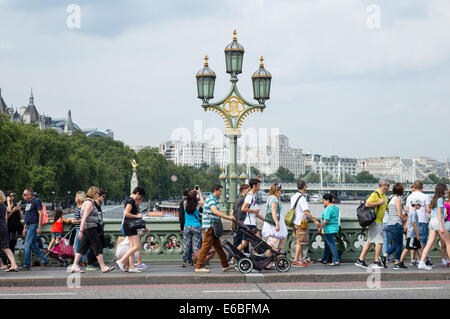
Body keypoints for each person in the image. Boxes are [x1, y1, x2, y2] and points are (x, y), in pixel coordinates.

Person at [71, 186, 114, 273]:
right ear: (94, 194)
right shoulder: (89, 204)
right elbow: (84, 218)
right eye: (98, 193)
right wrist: (81, 231)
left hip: (88, 228)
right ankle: (103, 267)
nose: (98, 194)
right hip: (90, 228)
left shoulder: (89, 202)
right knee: (97, 246)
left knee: (82, 248)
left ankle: (74, 266)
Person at [195, 184, 236, 273]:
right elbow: (215, 212)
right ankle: (199, 266)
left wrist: (227, 216)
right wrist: (228, 218)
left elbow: (219, 211)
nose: (221, 193)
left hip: (212, 227)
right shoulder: (211, 199)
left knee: (218, 247)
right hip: (209, 227)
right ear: (215, 191)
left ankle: (225, 265)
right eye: (220, 191)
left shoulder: (215, 200)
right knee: (205, 247)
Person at [355, 180, 390, 269]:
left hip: (380, 222)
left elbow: (387, 209)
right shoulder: (375, 194)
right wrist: (378, 202)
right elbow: (367, 204)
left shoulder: (385, 197)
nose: (389, 187)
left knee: (370, 241)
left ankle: (360, 259)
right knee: (380, 241)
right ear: (382, 185)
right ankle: (376, 261)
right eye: (388, 185)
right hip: (375, 221)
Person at [418, 183, 450, 270]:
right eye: (446, 189)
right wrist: (442, 227)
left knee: (429, 244)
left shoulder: (434, 199)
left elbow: (433, 212)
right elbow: (439, 213)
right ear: (442, 190)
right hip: (438, 222)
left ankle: (421, 262)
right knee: (448, 243)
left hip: (432, 222)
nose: (447, 191)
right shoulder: (440, 199)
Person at [116, 186, 146, 273]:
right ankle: (121, 261)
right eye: (141, 197)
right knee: (136, 246)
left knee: (132, 247)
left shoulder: (129, 200)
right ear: (137, 193)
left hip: (128, 225)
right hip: (129, 225)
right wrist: (137, 216)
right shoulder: (131, 201)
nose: (141, 199)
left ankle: (132, 267)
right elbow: (126, 214)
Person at [291, 180, 321, 267]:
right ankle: (296, 260)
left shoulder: (294, 197)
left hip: (294, 222)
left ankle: (300, 260)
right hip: (301, 222)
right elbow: (306, 212)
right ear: (304, 187)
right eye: (306, 186)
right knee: (300, 242)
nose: (306, 187)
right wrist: (315, 220)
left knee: (298, 240)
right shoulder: (302, 198)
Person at [21, 188, 49, 270]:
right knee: (32, 245)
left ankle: (27, 265)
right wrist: (24, 228)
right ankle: (44, 260)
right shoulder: (28, 203)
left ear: (30, 195)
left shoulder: (36, 201)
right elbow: (27, 216)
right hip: (29, 226)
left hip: (33, 225)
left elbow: (41, 214)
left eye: (24, 194)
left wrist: (39, 226)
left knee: (27, 244)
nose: (23, 196)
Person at [405, 180, 431, 266]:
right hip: (422, 220)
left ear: (414, 187)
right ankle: (421, 259)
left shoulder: (409, 197)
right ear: (422, 187)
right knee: (422, 240)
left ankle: (413, 259)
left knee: (413, 240)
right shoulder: (426, 196)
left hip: (411, 221)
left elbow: (407, 209)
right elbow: (428, 210)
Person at [383, 183, 408, 267]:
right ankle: (397, 263)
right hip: (396, 223)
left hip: (390, 223)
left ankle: (384, 257)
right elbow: (400, 214)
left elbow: (387, 209)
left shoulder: (390, 198)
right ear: (400, 190)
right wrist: (404, 220)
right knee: (399, 245)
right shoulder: (397, 199)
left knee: (396, 243)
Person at [237, 179, 264, 252]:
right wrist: (254, 211)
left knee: (245, 243)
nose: (259, 187)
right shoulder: (250, 196)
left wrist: (264, 220)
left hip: (251, 222)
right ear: (254, 186)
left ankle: (233, 257)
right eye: (258, 185)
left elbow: (255, 213)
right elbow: (243, 208)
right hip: (249, 223)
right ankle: (260, 258)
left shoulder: (253, 196)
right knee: (255, 240)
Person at [395, 199, 423, 270]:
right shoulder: (414, 213)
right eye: (419, 205)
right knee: (407, 248)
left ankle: (423, 262)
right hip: (413, 234)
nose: (420, 206)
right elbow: (414, 224)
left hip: (412, 234)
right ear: (416, 205)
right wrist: (417, 235)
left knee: (419, 248)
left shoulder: (412, 212)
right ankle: (400, 263)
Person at [261, 183, 288, 253]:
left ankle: (278, 255)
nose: (280, 192)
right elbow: (273, 211)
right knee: (274, 241)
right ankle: (274, 257)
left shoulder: (270, 197)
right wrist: (277, 224)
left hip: (272, 220)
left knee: (278, 239)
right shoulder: (274, 199)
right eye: (279, 190)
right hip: (274, 220)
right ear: (276, 191)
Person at [182, 188, 204, 267]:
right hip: (196, 226)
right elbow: (203, 202)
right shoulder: (197, 204)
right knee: (196, 246)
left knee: (186, 245)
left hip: (187, 226)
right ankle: (197, 262)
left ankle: (184, 262)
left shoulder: (185, 203)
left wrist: (192, 192)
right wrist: (199, 193)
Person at [86, 188, 107, 271]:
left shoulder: (98, 205)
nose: (103, 198)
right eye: (103, 196)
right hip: (94, 228)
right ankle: (90, 262)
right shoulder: (93, 204)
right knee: (94, 246)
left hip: (98, 227)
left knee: (97, 245)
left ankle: (94, 261)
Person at [318, 193, 341, 266]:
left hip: (328, 229)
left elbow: (326, 220)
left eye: (324, 200)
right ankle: (324, 259)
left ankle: (336, 260)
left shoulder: (328, 209)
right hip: (335, 228)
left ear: (328, 200)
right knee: (327, 244)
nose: (323, 202)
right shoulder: (336, 207)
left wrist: (320, 227)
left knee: (331, 244)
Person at [2, 191, 23, 269]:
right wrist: (13, 210)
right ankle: (5, 263)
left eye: (13, 196)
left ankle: (11, 263)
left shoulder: (15, 205)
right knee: (6, 246)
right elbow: (6, 217)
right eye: (10, 196)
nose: (12, 198)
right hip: (7, 228)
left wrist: (19, 210)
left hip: (15, 228)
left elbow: (21, 217)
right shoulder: (4, 205)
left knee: (12, 246)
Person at [229, 184, 250, 258]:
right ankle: (229, 260)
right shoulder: (243, 199)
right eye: (248, 190)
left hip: (236, 225)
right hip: (239, 225)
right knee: (237, 244)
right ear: (244, 191)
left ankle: (245, 259)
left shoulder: (238, 199)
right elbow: (239, 213)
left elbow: (232, 211)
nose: (249, 191)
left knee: (243, 244)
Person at [72, 191, 87, 266]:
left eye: (76, 197)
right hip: (78, 228)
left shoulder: (82, 207)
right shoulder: (78, 206)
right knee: (82, 246)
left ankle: (77, 261)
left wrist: (76, 221)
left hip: (81, 229)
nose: (75, 198)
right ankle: (82, 260)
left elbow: (84, 218)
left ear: (79, 198)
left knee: (76, 246)